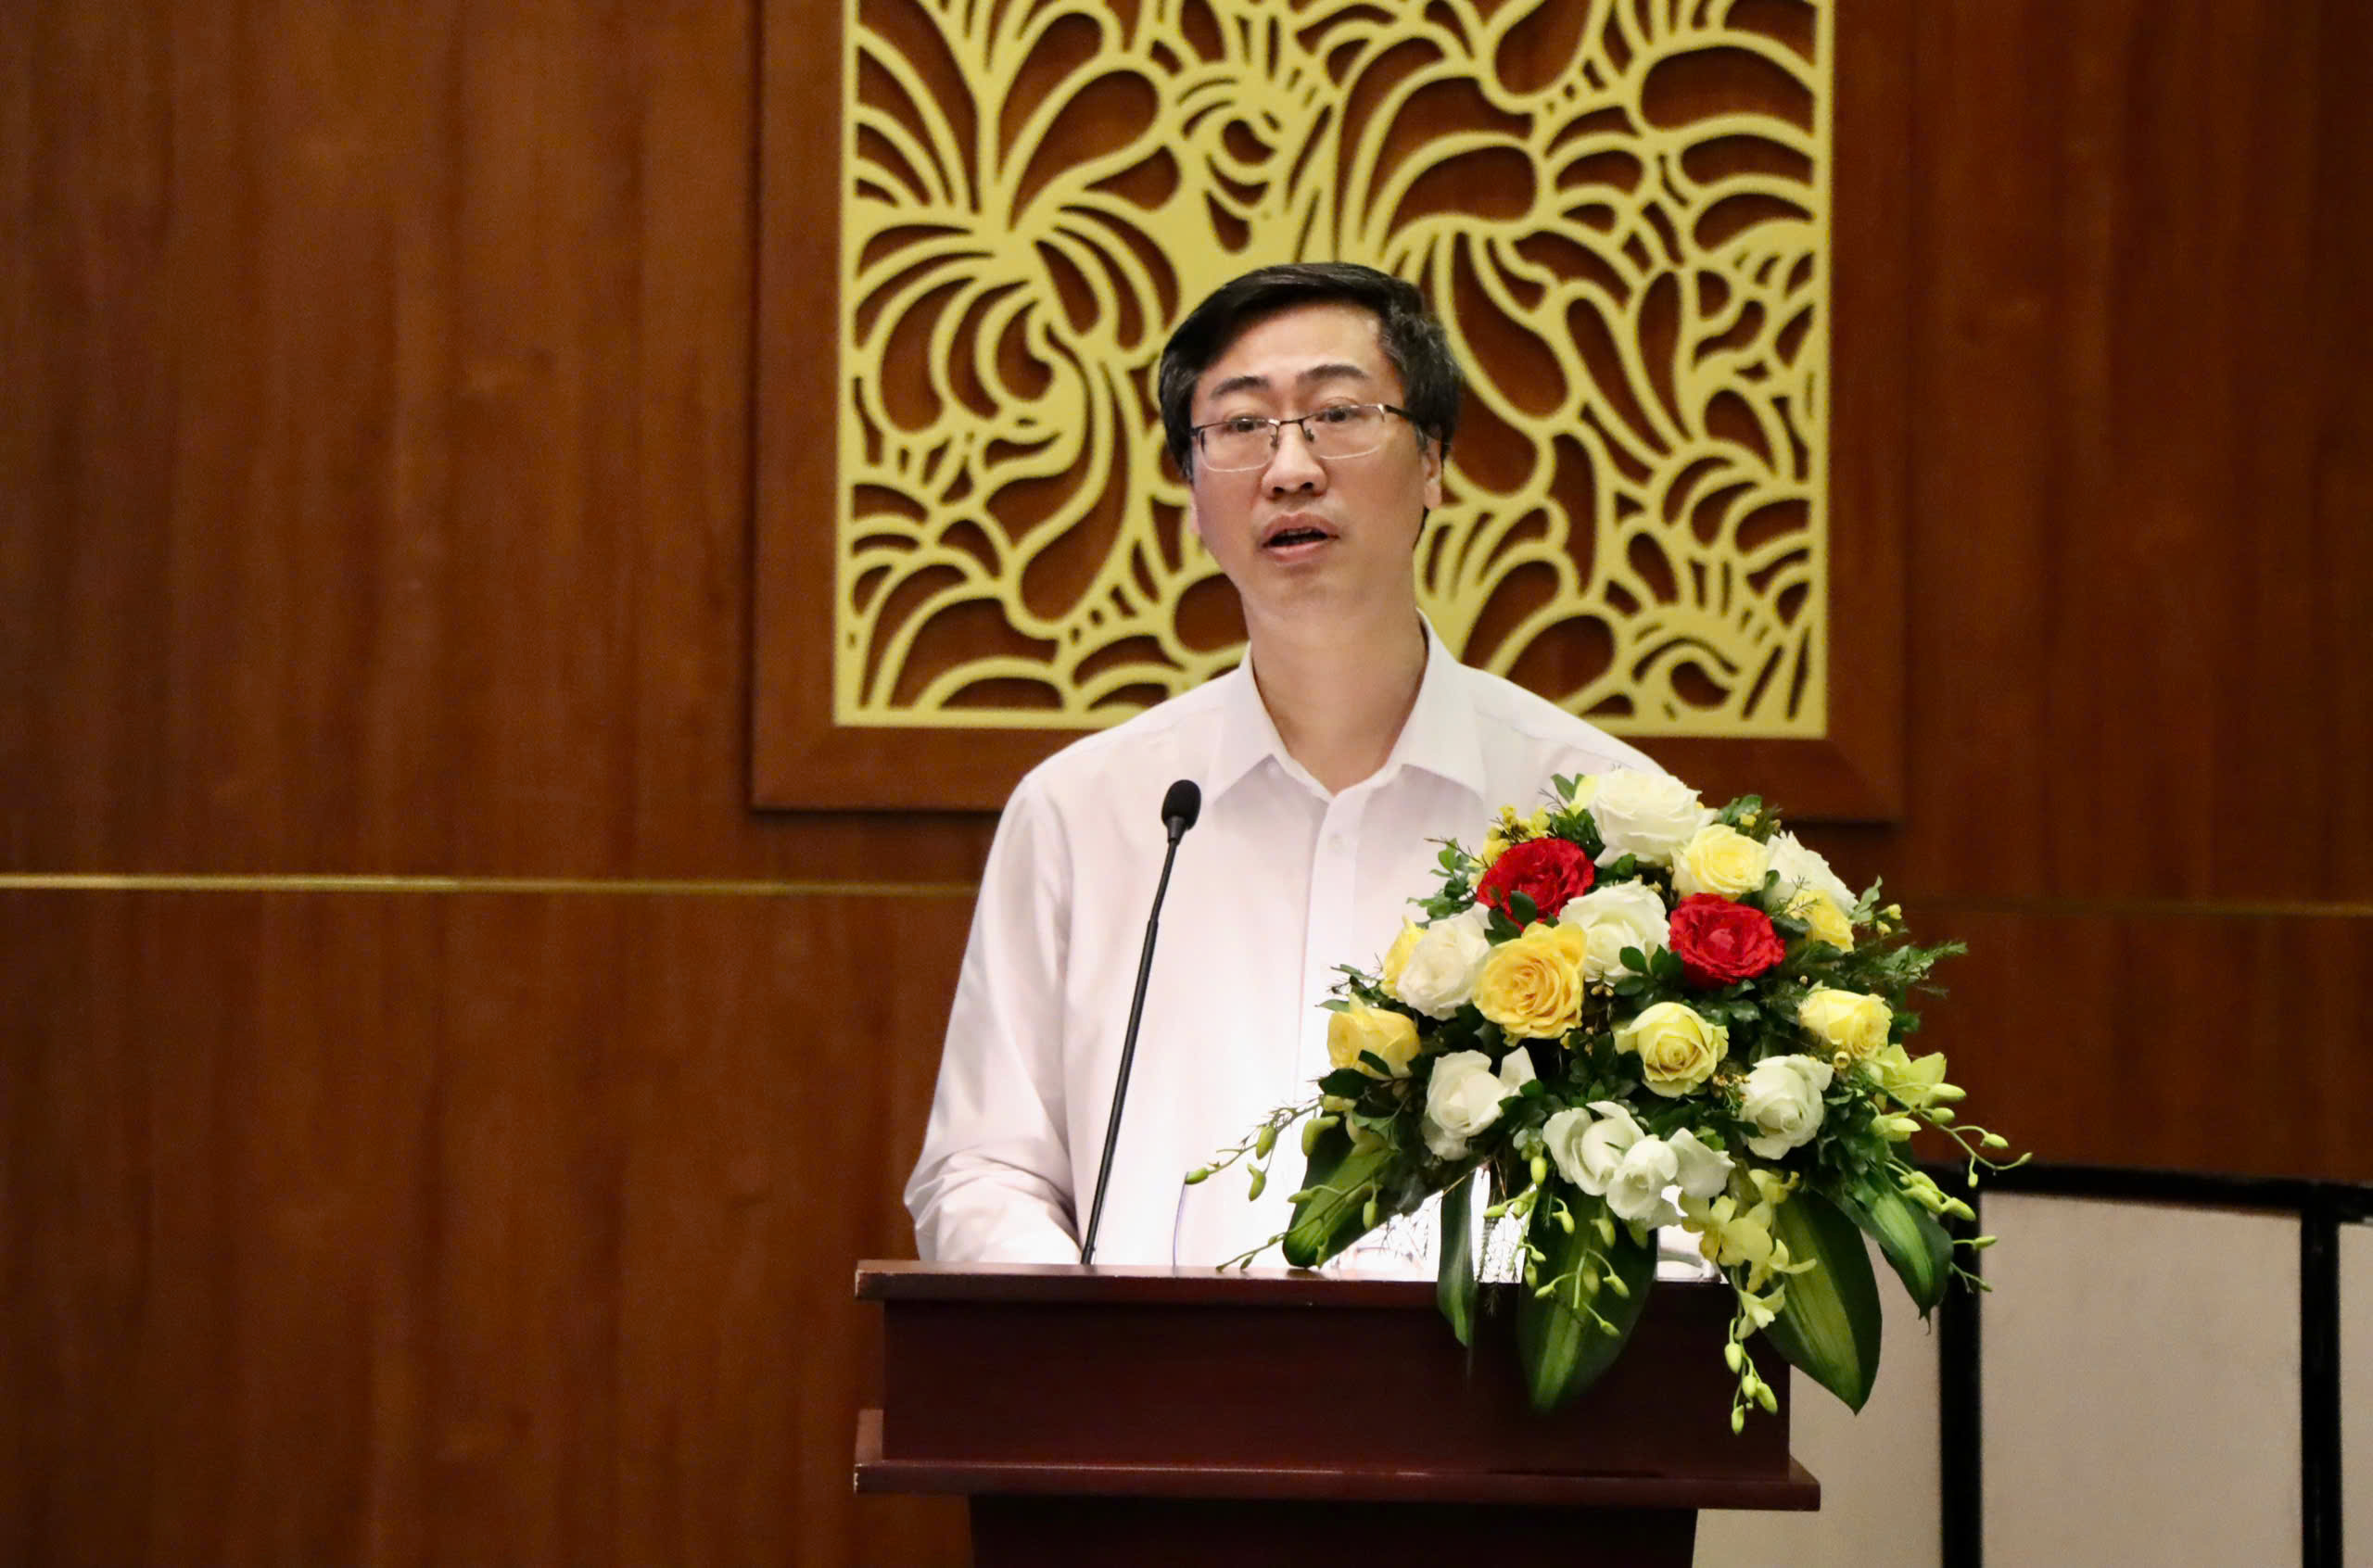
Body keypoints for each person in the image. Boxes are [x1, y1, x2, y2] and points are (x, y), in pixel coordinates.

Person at [904, 262, 1666, 1267]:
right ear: (1191, 491)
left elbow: (1680, 1195)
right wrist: (1087, 1338)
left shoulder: (1600, 812)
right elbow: (984, 1171)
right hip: (1146, 1372)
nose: (1290, 468)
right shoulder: (1085, 814)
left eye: (1338, 414)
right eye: (1240, 426)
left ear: (1434, 461)